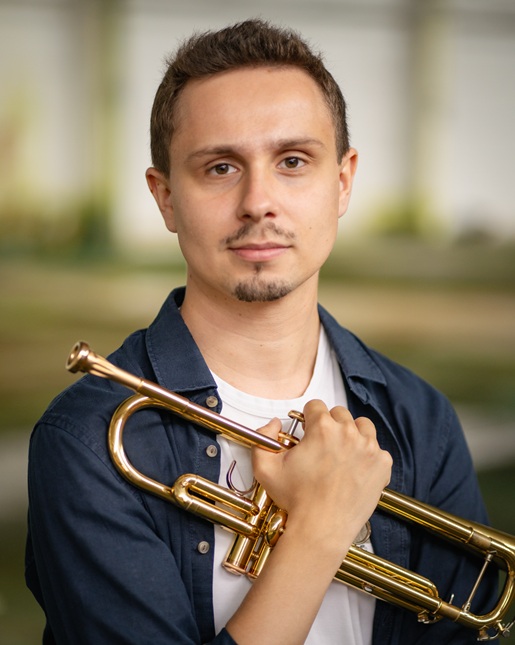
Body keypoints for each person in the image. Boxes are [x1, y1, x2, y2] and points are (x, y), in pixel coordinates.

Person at [26, 19, 498, 645]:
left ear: (342, 182)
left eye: (293, 161)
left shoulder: (419, 418)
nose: (258, 201)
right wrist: (319, 529)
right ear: (166, 198)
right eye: (220, 167)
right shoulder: (88, 439)